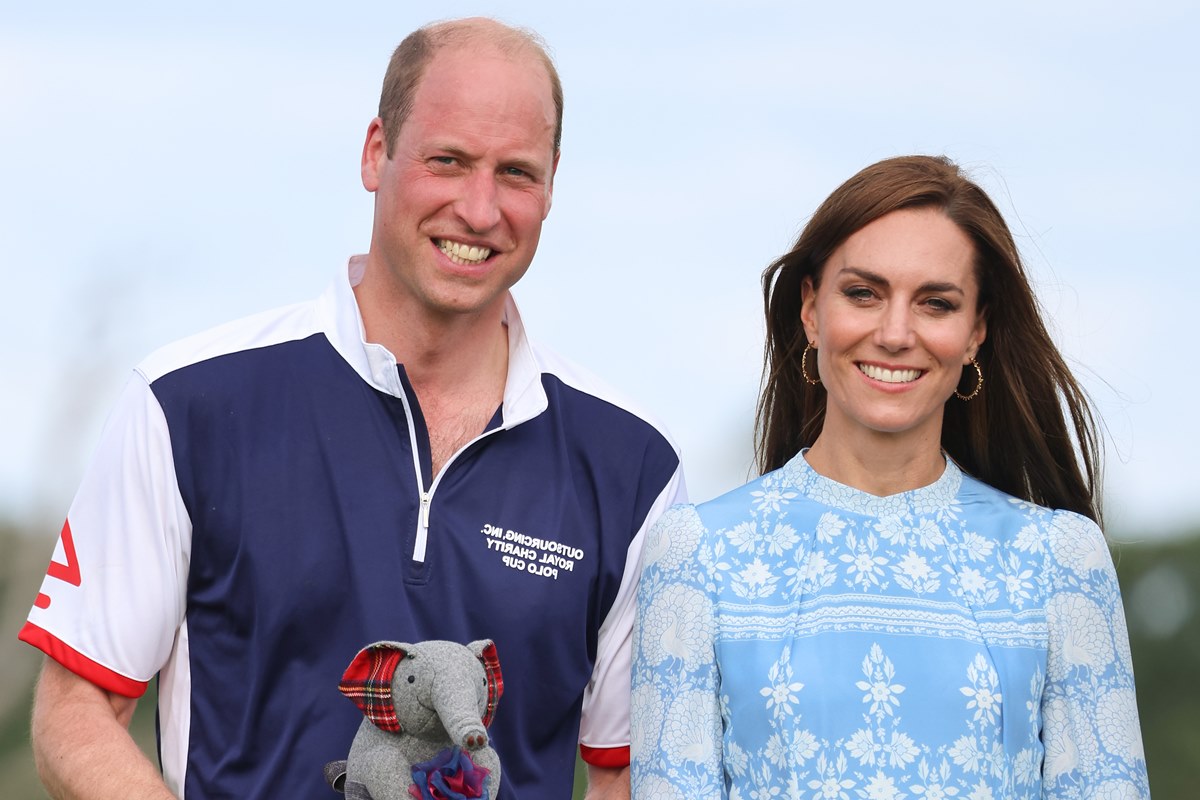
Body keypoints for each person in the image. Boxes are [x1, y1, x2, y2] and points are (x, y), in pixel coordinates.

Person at [21, 17, 684, 800]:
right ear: (377, 151)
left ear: (551, 184)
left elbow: (627, 777)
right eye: (448, 161)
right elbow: (76, 711)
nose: (479, 209)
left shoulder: (634, 468)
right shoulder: (187, 405)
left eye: (515, 173)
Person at [631, 155, 1149, 799]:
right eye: (863, 293)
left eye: (936, 303)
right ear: (811, 309)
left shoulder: (1060, 559)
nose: (896, 333)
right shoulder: (696, 553)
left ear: (976, 332)